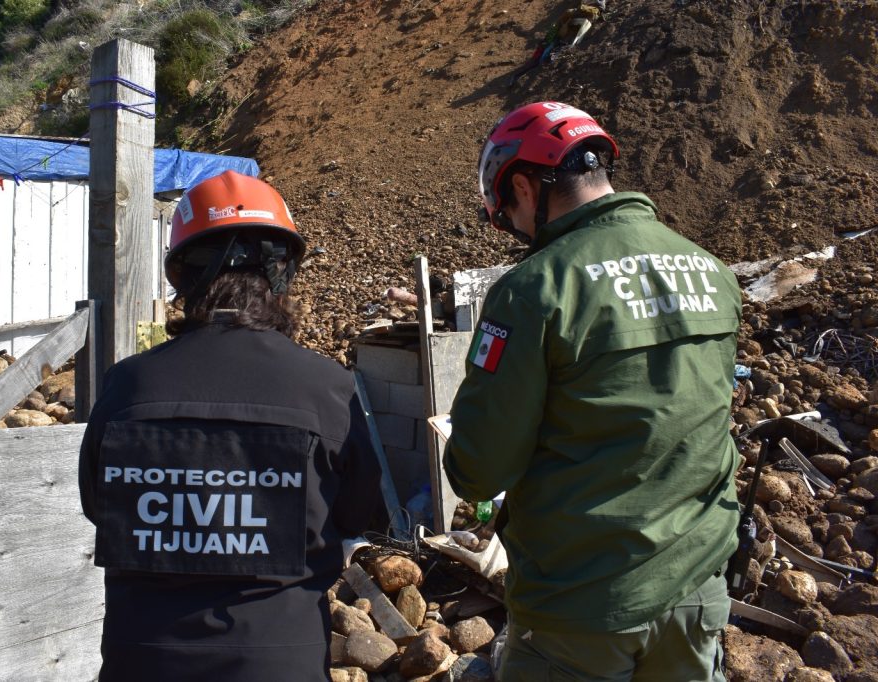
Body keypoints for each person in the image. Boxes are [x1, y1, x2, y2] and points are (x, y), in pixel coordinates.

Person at [444, 102, 741, 681]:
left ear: (526, 186)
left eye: (508, 210)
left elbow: (480, 468)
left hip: (580, 606)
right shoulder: (711, 270)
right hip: (697, 591)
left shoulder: (536, 288)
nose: (516, 226)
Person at [78, 170, 380, 681]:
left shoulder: (127, 386)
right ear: (281, 275)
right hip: (278, 660)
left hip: (144, 659)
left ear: (183, 277)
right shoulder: (328, 388)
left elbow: (98, 504)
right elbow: (360, 514)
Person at [508, 1, 606, 87]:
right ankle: (520, 75)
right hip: (560, 36)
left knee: (543, 53)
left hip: (560, 35)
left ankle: (520, 75)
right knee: (544, 52)